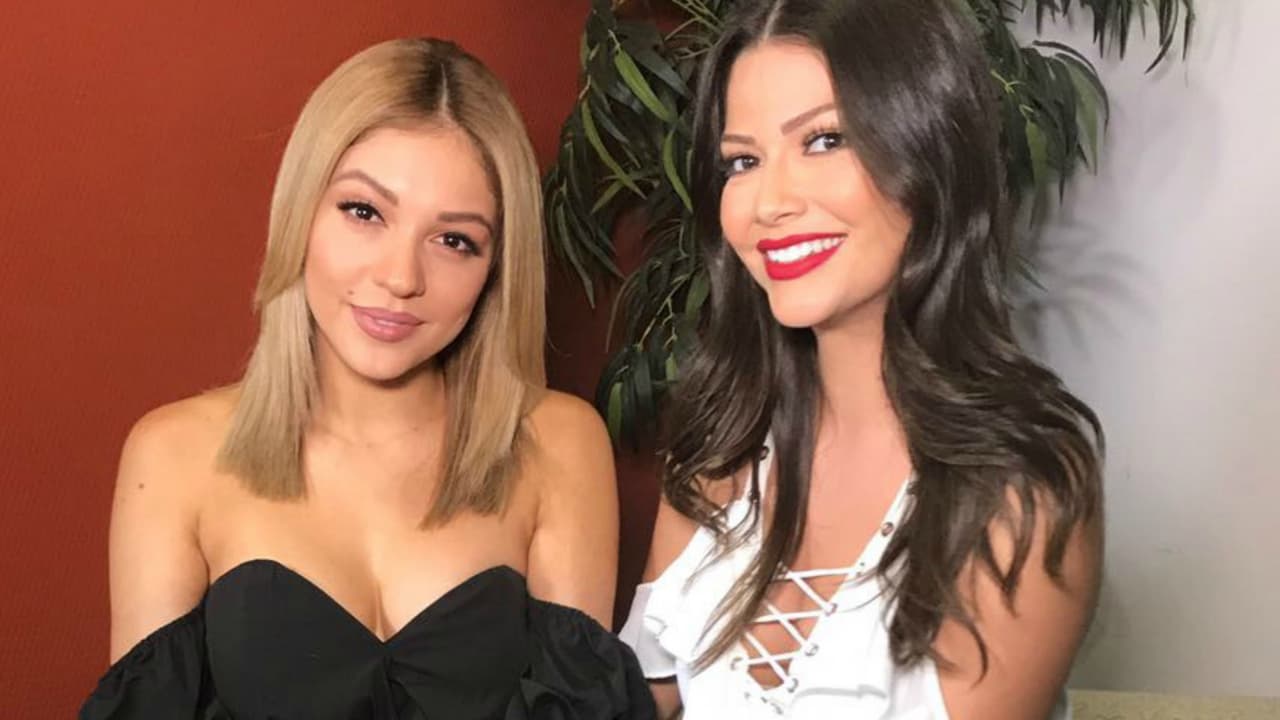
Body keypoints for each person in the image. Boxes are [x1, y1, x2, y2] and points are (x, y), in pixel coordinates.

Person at [82, 37, 653, 720]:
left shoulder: (557, 443)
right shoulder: (174, 455)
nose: (400, 277)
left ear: (496, 271)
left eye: (454, 240)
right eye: (364, 212)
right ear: (301, 213)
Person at [619, 1, 1104, 717]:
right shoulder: (718, 451)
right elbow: (642, 702)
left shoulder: (1017, 494)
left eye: (824, 140)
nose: (769, 203)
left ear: (930, 153)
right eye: (743, 161)